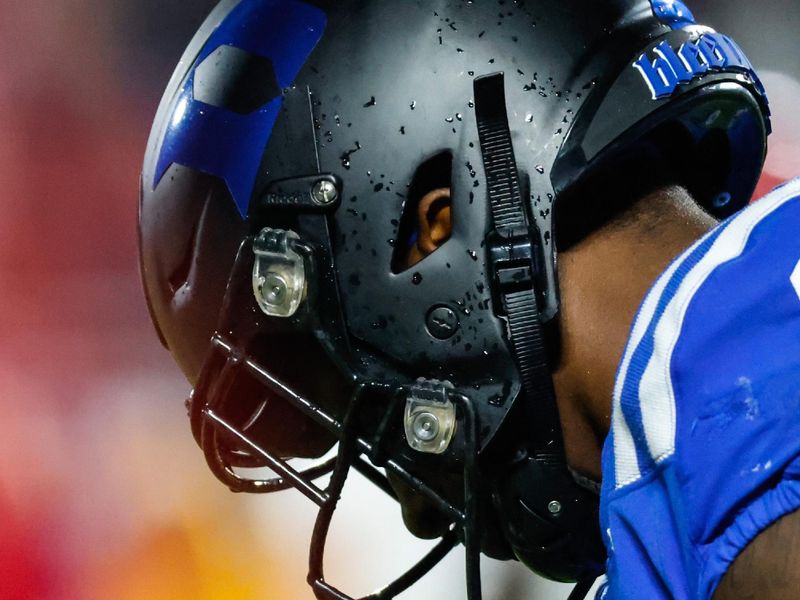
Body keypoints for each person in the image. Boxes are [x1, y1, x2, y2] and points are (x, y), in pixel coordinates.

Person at [139, 0, 798, 598]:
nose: (418, 512)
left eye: (384, 424)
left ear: (435, 226)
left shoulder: (735, 442)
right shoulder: (680, 487)